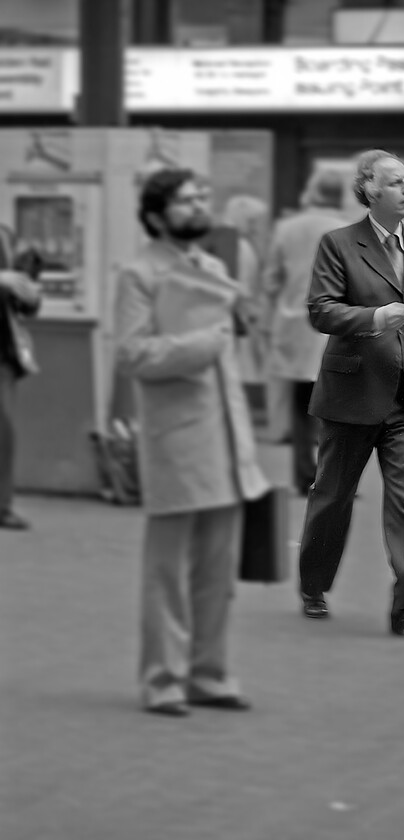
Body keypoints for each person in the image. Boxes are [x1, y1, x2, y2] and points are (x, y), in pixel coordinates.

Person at [114, 168, 269, 717]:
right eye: (185, 201)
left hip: (225, 440)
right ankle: (163, 680)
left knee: (217, 573)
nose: (199, 206)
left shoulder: (214, 268)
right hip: (177, 441)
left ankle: (210, 673)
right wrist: (205, 343)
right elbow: (131, 354)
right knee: (167, 572)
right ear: (156, 215)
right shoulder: (139, 273)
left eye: (204, 196)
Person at [298, 149, 404, 640]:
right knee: (332, 498)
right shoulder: (338, 244)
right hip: (351, 394)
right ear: (370, 190)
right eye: (398, 182)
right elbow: (321, 310)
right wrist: (374, 318)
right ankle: (313, 584)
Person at [261, 169, 345, 495]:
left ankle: (302, 474)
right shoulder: (348, 231)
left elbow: (270, 280)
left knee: (300, 406)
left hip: (295, 325)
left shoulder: (286, 228)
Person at [0, 225, 42, 531]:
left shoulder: (5, 234)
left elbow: (22, 304)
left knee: (3, 432)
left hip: (3, 350)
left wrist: (29, 292)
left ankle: (2, 506)